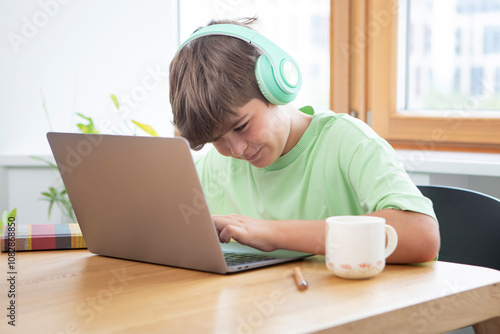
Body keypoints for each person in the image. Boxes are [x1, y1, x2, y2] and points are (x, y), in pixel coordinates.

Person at [169, 17, 440, 264]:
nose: (236, 149)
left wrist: (273, 233)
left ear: (275, 86)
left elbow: (421, 236)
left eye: (241, 126)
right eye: (218, 140)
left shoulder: (348, 143)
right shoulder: (215, 166)